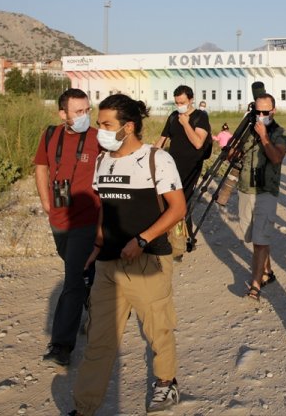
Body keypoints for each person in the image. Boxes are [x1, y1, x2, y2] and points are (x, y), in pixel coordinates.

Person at [70, 94, 186, 416]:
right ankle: (84, 407)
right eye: (99, 124)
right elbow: (105, 210)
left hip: (147, 260)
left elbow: (178, 209)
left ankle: (166, 383)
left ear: (129, 126)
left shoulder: (156, 160)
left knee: (157, 329)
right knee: (99, 340)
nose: (100, 130)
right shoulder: (102, 161)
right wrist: (96, 246)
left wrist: (143, 239)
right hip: (109, 263)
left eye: (107, 124)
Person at [34, 88, 101, 367]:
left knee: (72, 276)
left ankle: (61, 344)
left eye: (88, 111)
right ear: (63, 114)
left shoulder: (99, 138)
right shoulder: (50, 135)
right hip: (59, 218)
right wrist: (47, 203)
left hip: (87, 218)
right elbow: (41, 166)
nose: (85, 116)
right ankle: (93, 298)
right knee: (81, 269)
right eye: (78, 112)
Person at [233, 93, 286, 301]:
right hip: (246, 188)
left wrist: (264, 136)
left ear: (273, 111)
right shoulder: (248, 131)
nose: (261, 115)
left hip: (266, 191)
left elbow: (276, 158)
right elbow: (233, 155)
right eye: (257, 112)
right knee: (251, 235)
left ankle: (255, 286)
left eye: (265, 112)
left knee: (259, 239)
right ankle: (267, 271)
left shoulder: (280, 133)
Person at [155, 85, 211, 257]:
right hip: (172, 165)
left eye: (183, 102)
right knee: (167, 201)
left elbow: (198, 143)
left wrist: (186, 124)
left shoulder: (200, 117)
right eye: (177, 102)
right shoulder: (173, 116)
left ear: (191, 100)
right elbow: (162, 140)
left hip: (191, 167)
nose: (179, 105)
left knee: (181, 202)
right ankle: (176, 237)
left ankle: (180, 241)